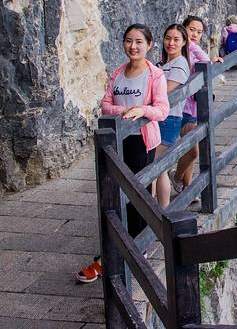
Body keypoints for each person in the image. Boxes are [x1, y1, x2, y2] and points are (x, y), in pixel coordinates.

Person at [76, 24, 169, 283]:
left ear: (149, 45)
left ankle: (135, 248)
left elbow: (162, 109)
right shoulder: (118, 73)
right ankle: (117, 249)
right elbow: (106, 105)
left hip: (142, 141)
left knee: (137, 193)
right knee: (116, 194)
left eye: (139, 41)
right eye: (129, 41)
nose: (133, 46)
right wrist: (126, 111)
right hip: (118, 140)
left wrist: (143, 110)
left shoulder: (155, 75)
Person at [170, 16, 222, 197]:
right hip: (183, 108)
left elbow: (205, 63)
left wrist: (213, 61)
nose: (195, 34)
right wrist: (190, 45)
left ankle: (188, 188)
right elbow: (203, 61)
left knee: (190, 148)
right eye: (191, 29)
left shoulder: (191, 51)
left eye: (199, 32)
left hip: (194, 107)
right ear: (183, 29)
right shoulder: (181, 51)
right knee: (193, 151)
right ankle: (176, 178)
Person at [155, 24, 191, 208]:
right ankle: (161, 209)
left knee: (154, 167)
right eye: (168, 38)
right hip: (164, 119)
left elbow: (164, 92)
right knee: (158, 168)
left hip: (168, 120)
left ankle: (157, 209)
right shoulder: (167, 64)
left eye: (176, 39)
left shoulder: (180, 64)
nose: (171, 43)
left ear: (184, 42)